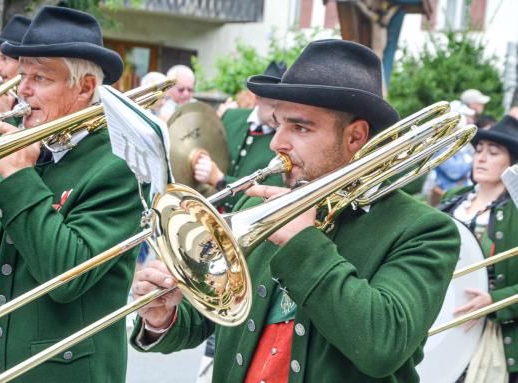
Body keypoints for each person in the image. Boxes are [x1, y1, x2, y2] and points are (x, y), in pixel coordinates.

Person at [130, 39, 461, 382]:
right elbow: (205, 317)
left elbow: (382, 345)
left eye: (300, 127)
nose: (276, 143)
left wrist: (303, 241)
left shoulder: (423, 230)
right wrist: (162, 316)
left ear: (355, 137)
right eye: (278, 124)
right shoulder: (258, 204)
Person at [0, 6, 142, 382]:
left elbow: (68, 277)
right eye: (23, 75)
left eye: (40, 78)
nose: (22, 90)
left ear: (84, 88)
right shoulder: (12, 143)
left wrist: (20, 176)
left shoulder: (117, 167)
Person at [439, 115, 518, 383]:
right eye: (479, 150)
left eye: (493, 153)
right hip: (439, 317)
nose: (481, 158)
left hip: (491, 332)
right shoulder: (454, 199)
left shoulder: (516, 211)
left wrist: (494, 301)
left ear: (511, 165)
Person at [193, 60, 288, 212]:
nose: (278, 116)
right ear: (257, 98)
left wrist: (220, 180)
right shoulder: (230, 116)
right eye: (273, 106)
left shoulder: (286, 141)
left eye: (283, 109)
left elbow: (271, 193)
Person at [0, 15, 32, 118]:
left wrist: (3, 115)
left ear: (25, 63)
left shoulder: (35, 105)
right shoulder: (10, 97)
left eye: (4, 59)